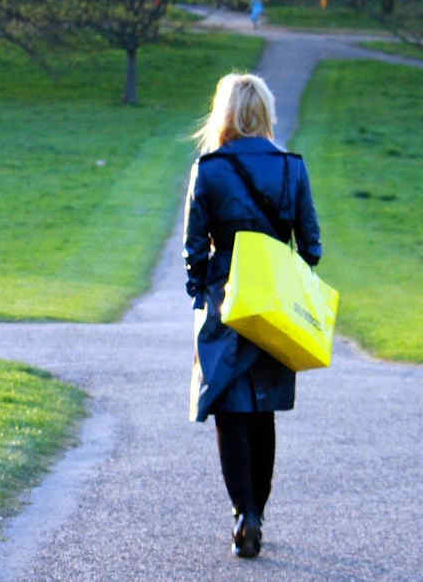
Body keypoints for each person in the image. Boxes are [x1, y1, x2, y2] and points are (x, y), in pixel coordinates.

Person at [183, 72, 322, 559]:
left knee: (228, 406)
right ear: (264, 112)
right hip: (275, 300)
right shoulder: (292, 168)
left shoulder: (209, 169)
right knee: (263, 409)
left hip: (225, 299)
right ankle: (256, 512)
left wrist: (202, 291)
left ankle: (243, 512)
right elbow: (312, 246)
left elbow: (193, 251)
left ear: (223, 113)